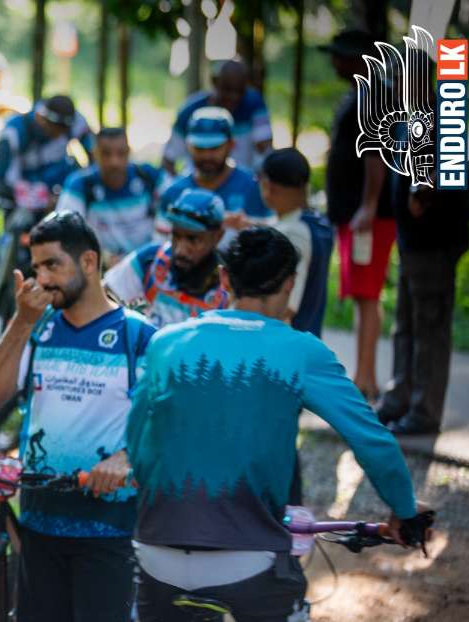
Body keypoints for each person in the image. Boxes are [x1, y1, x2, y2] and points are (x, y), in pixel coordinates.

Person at [100, 226, 431, 622]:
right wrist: (405, 512)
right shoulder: (300, 351)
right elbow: (372, 440)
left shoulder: (166, 342)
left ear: (224, 278)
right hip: (249, 558)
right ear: (290, 285)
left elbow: (136, 442)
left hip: (156, 548)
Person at [0, 211, 154, 622]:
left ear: (89, 262)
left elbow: (163, 422)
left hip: (108, 522)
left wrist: (126, 457)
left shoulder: (137, 336)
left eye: (53, 265)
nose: (42, 278)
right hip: (42, 516)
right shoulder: (37, 328)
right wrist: (20, 322)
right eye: (36, 267)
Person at [322, 28, 396, 401]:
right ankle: (363, 374)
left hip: (368, 216)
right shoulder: (361, 93)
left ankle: (365, 378)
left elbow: (376, 154)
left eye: (340, 55)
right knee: (361, 294)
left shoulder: (374, 95)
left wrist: (368, 205)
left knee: (367, 294)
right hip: (355, 213)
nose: (334, 61)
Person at [374, 172, 469, 436]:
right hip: (411, 239)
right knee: (404, 326)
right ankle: (400, 399)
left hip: (435, 238)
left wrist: (423, 189)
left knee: (429, 331)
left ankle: (424, 411)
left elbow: (452, 159)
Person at [104, 188, 232, 328]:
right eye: (176, 235)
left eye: (193, 239)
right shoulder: (150, 259)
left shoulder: (229, 285)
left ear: (217, 236)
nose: (180, 250)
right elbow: (105, 295)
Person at [155, 106, 270, 250]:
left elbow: (269, 241)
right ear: (188, 146)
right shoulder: (174, 192)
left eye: (214, 148)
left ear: (231, 145)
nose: (206, 156)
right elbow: (161, 246)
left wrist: (247, 226)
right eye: (199, 148)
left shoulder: (252, 186)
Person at [57, 127, 164, 266]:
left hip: (150, 264)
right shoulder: (80, 184)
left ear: (129, 152)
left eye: (121, 153)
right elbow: (66, 232)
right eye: (106, 154)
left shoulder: (149, 176)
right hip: (101, 267)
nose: (114, 162)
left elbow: (172, 211)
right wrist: (101, 258)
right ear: (95, 154)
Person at [258, 147, 333, 337]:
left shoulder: (292, 233)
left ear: (268, 186)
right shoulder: (319, 223)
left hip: (289, 340)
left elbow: (287, 306)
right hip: (310, 335)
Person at [162, 59, 272, 175]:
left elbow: (266, 149)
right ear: (214, 82)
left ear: (231, 145)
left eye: (240, 91)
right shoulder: (189, 112)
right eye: (227, 90)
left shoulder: (254, 104)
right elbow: (168, 159)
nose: (233, 97)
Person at [0, 95, 94, 207]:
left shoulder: (76, 124)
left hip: (58, 181)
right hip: (23, 187)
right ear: (41, 118)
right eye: (54, 128)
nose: (58, 134)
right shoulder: (15, 131)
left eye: (63, 130)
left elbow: (95, 151)